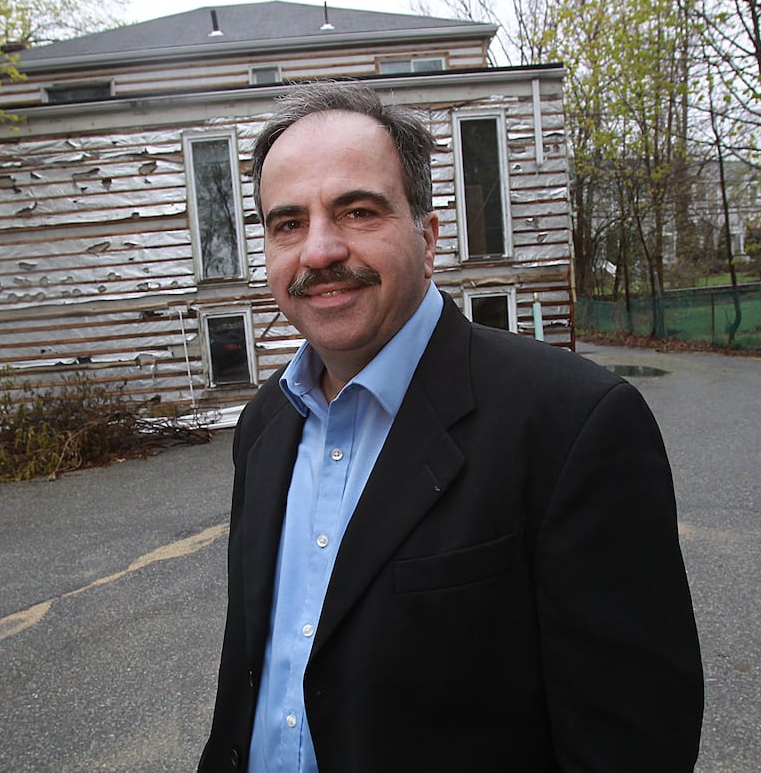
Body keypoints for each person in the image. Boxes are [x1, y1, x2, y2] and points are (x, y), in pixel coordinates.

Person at [198, 81, 703, 772]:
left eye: (357, 211)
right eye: (288, 223)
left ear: (428, 237)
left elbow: (632, 742)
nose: (318, 251)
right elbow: (255, 677)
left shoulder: (572, 424)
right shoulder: (264, 425)